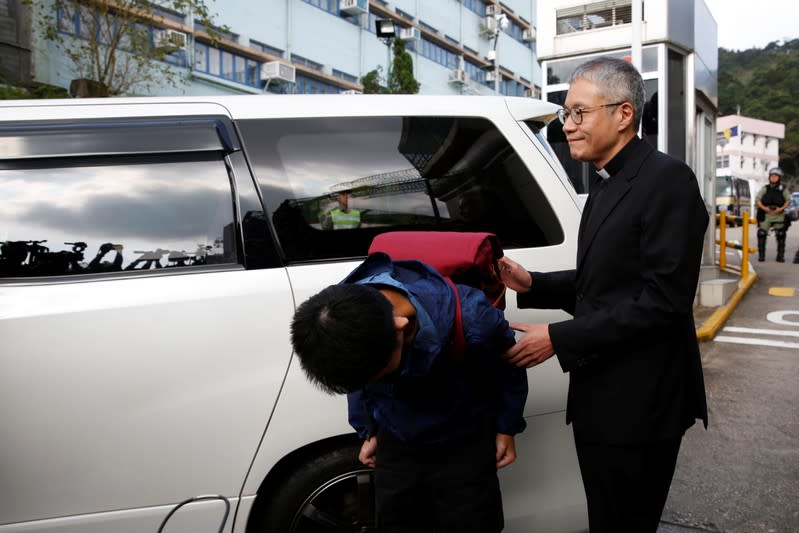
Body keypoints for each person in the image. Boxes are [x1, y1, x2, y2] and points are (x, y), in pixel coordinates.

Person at [498, 56, 709, 533]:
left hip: (641, 402)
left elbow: (663, 300)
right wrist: (533, 282)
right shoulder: (606, 182)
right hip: (603, 394)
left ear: (623, 114)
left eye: (578, 113)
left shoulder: (666, 181)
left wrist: (560, 338)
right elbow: (606, 281)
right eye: (566, 115)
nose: (568, 126)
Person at [290, 252, 527, 532]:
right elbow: (360, 378)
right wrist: (370, 430)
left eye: (381, 373)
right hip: (396, 441)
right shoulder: (344, 309)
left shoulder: (474, 319)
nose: (373, 382)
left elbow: (510, 365)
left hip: (464, 441)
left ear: (401, 328)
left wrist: (506, 427)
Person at [755, 167, 790, 262]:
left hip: (779, 213)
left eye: (776, 176)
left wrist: (781, 209)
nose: (773, 178)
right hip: (766, 213)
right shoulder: (765, 188)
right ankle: (761, 256)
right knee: (761, 233)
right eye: (772, 176)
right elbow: (758, 199)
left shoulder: (783, 189)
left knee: (781, 234)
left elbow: (788, 201)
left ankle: (780, 256)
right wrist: (764, 208)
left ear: (779, 178)